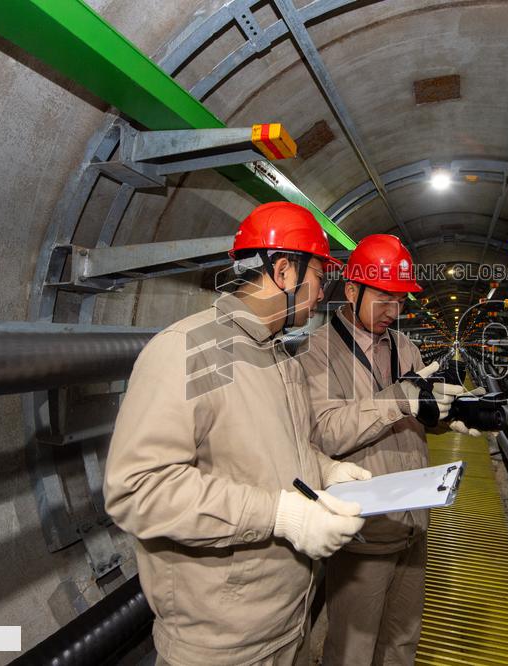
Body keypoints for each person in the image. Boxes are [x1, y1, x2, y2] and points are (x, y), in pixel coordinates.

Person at [103, 202, 371, 666]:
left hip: (285, 621)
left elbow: (283, 451)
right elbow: (138, 489)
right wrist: (281, 515)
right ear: (284, 271)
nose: (322, 292)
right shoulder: (190, 351)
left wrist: (329, 471)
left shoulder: (279, 356)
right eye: (319, 277)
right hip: (223, 645)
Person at [295, 234, 469, 665]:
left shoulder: (404, 347)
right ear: (352, 291)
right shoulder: (319, 352)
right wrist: (399, 400)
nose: (395, 311)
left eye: (401, 301)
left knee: (402, 641)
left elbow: (410, 417)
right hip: (363, 533)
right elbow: (324, 433)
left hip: (415, 526)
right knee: (353, 648)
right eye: (385, 298)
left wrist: (444, 416)